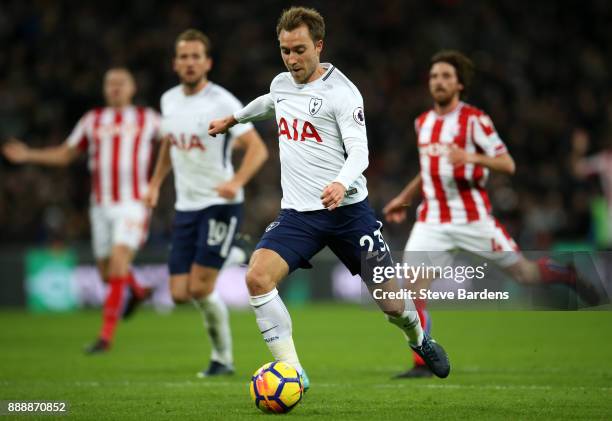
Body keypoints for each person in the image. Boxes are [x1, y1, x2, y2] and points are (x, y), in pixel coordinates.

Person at [208, 7, 450, 389]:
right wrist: (233, 120)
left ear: (319, 45)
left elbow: (360, 153)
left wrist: (340, 182)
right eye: (285, 50)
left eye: (300, 49)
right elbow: (269, 102)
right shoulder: (281, 84)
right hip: (299, 216)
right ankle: (294, 373)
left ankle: (419, 338)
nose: (292, 59)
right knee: (257, 277)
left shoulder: (343, 93)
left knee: (392, 305)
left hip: (349, 213)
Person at [383, 50, 603, 378]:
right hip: (432, 221)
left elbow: (507, 163)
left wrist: (471, 157)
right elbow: (428, 167)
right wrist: (403, 197)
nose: (438, 82)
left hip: (473, 219)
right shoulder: (423, 123)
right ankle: (423, 362)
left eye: (445, 76)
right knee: (411, 294)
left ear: (459, 84)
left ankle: (565, 273)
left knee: (525, 275)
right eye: (434, 77)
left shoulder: (475, 120)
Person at [2, 67, 160, 353]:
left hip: (133, 203)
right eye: (110, 83)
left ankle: (105, 338)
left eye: (120, 83)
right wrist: (28, 154)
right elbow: (65, 154)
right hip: (100, 205)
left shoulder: (148, 119)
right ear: (104, 88)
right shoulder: (92, 120)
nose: (115, 88)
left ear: (132, 87)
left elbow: (175, 141)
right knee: (106, 274)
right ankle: (136, 292)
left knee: (117, 261)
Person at [143, 29, 268, 377]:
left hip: (219, 204)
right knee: (180, 293)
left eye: (196, 56)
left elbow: (257, 149)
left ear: (207, 62)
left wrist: (236, 181)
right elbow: (169, 144)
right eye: (183, 56)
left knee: (201, 287)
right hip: (186, 207)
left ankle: (222, 360)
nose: (189, 62)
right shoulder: (168, 101)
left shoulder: (223, 102)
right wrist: (155, 184)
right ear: (175, 63)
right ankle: (233, 254)